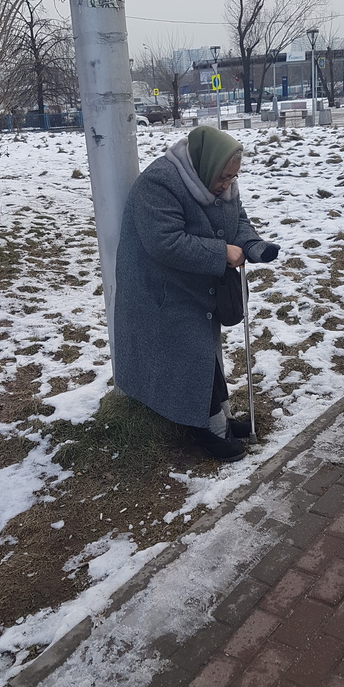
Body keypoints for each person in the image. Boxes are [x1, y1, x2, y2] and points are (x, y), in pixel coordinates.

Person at [114, 125, 280, 461]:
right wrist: (221, 253)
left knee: (203, 354)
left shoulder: (220, 181)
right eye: (224, 177)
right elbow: (165, 242)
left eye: (233, 177)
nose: (227, 184)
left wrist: (253, 245)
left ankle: (218, 421)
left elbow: (239, 219)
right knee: (190, 354)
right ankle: (205, 430)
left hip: (194, 284)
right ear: (207, 166)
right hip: (159, 289)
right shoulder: (160, 183)